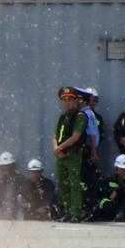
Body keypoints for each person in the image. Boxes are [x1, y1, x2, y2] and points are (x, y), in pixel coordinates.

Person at [52, 86, 86, 222]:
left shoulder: (80, 117)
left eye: (70, 100)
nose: (67, 103)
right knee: (63, 184)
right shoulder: (62, 117)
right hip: (61, 155)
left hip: (73, 155)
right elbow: (55, 135)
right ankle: (67, 211)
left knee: (74, 183)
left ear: (75, 101)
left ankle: (76, 213)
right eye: (64, 100)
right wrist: (56, 148)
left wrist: (59, 148)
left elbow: (75, 137)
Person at [75, 87, 102, 219]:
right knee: (83, 181)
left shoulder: (87, 114)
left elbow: (92, 135)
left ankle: (89, 209)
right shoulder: (83, 114)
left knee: (88, 181)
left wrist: (93, 152)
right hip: (84, 151)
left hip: (86, 152)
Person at [0, 151, 25, 220]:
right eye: (4, 166)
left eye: (8, 166)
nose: (6, 168)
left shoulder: (20, 178)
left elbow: (23, 195)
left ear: (13, 166)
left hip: (16, 212)